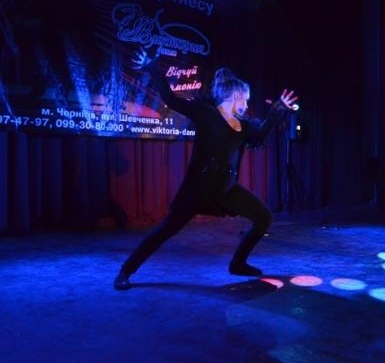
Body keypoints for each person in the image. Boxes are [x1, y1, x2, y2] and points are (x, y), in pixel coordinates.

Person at [113, 50, 298, 290]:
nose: (246, 104)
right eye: (246, 99)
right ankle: (125, 271)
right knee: (165, 231)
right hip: (197, 191)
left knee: (264, 217)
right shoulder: (205, 113)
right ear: (236, 96)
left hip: (225, 190)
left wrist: (277, 109)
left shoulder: (243, 126)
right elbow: (171, 100)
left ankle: (238, 264)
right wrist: (154, 69)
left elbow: (260, 136)